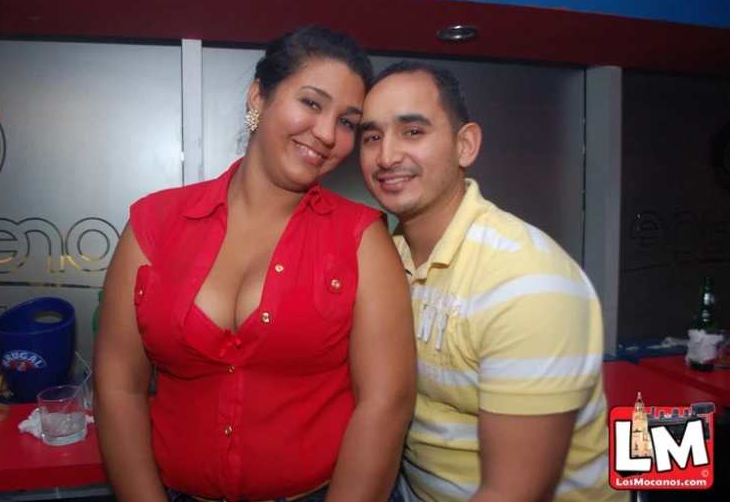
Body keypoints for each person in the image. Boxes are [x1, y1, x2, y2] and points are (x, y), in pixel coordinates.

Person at [93, 27, 416, 502]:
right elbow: (118, 386)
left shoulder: (361, 237)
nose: (327, 134)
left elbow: (386, 404)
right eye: (311, 103)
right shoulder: (155, 223)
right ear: (259, 96)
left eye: (347, 123)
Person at [358, 60, 627, 502]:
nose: (386, 156)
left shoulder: (528, 282)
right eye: (372, 137)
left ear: (465, 145)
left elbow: (513, 492)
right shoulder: (387, 255)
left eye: (412, 131)